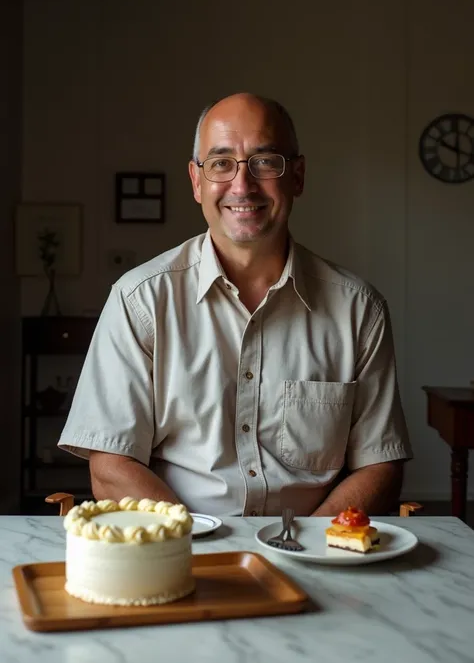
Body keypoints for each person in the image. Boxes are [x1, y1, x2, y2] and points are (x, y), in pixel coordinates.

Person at [58, 92, 412, 517]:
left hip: (314, 552)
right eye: (221, 163)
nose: (242, 185)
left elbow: (380, 464)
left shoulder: (359, 309)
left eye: (265, 162)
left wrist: (307, 549)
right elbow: (110, 464)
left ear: (297, 176)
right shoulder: (141, 300)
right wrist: (198, 547)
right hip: (183, 547)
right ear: (196, 181)